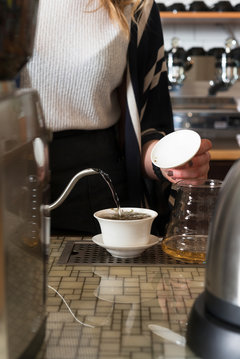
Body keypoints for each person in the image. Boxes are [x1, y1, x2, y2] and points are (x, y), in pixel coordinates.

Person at [21, 0, 212, 236]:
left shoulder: (137, 5)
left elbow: (149, 125)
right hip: (10, 181)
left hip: (95, 192)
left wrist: (169, 163)